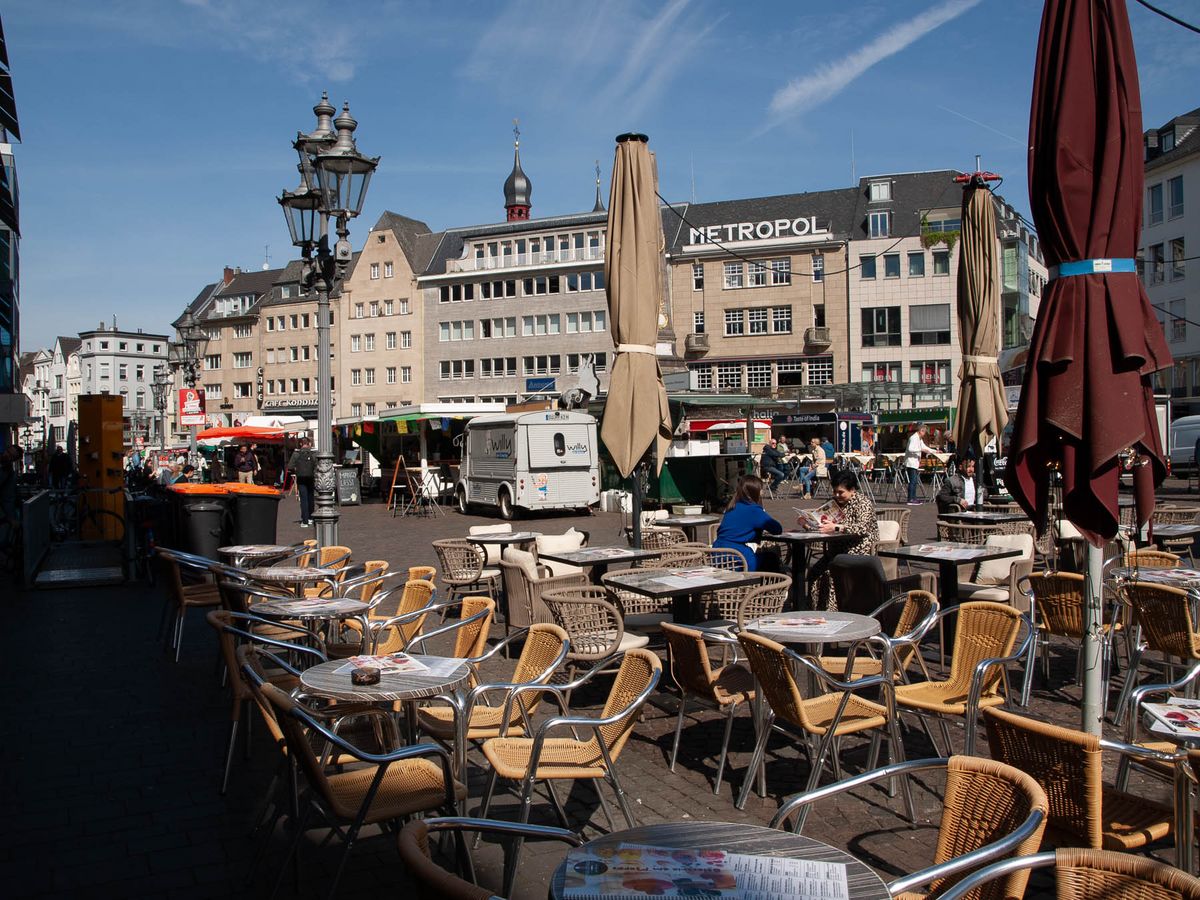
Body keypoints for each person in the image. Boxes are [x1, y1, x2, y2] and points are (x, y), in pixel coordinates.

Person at [714, 474, 782, 571]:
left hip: (718, 555)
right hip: (738, 557)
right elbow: (777, 529)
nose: (762, 492)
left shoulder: (732, 506)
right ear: (755, 491)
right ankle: (775, 581)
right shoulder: (754, 510)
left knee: (764, 557)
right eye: (761, 489)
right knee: (771, 558)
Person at [814, 470, 878, 556]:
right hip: (836, 550)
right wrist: (808, 523)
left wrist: (836, 528)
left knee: (831, 564)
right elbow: (822, 523)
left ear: (852, 490)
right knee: (813, 566)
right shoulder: (833, 502)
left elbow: (863, 528)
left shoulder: (862, 503)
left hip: (859, 551)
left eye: (840, 492)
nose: (837, 495)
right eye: (834, 491)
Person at [288, 437, 316, 527]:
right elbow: (317, 465)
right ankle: (311, 518)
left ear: (300, 444)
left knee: (303, 499)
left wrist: (296, 470)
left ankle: (305, 521)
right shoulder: (313, 453)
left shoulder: (296, 454)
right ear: (309, 444)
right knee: (311, 497)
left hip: (301, 478)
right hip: (311, 477)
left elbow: (290, 466)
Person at [904, 425, 935, 505]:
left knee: (914, 481)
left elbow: (924, 447)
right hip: (911, 462)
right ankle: (910, 499)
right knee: (913, 481)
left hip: (915, 463)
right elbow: (910, 449)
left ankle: (913, 498)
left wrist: (934, 451)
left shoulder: (919, 438)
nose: (924, 434)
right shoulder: (913, 438)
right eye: (924, 432)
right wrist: (920, 449)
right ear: (921, 431)